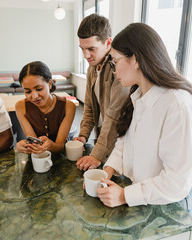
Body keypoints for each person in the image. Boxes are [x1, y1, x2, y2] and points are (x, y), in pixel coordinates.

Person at [96, 23, 192, 220]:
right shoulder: (139, 94)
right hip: (145, 193)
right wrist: (108, 171)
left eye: (115, 62)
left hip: (174, 202)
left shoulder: (178, 104)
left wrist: (124, 195)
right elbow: (125, 142)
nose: (114, 70)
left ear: (134, 59)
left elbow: (176, 182)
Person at [73, 14, 130, 171]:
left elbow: (115, 116)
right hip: (103, 139)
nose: (86, 55)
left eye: (91, 49)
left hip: (119, 142)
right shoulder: (92, 67)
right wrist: (83, 135)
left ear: (108, 43)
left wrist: (97, 154)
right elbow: (90, 106)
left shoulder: (119, 68)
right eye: (82, 49)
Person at [15, 61, 76, 154]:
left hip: (61, 157)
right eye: (28, 91)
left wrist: (50, 145)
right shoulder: (21, 107)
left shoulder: (68, 106)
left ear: (49, 84)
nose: (34, 96)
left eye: (39, 89)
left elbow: (59, 146)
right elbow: (34, 142)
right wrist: (22, 146)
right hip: (37, 159)